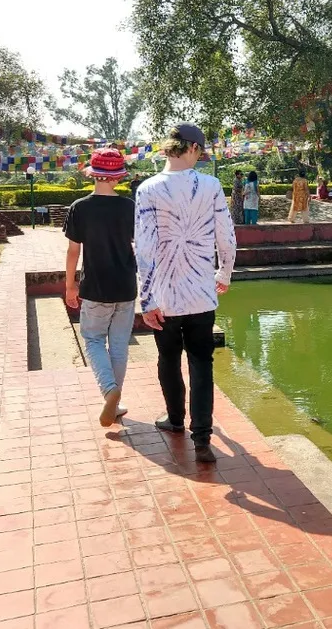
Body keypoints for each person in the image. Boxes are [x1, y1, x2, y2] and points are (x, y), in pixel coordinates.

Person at [134, 123, 237, 462]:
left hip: (164, 296)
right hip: (201, 295)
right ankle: (202, 440)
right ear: (193, 148)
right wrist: (223, 272)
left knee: (168, 359)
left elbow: (144, 249)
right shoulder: (210, 186)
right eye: (201, 151)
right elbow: (226, 236)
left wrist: (146, 299)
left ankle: (175, 420)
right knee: (201, 364)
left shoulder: (148, 189)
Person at [64, 148, 135, 428]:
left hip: (95, 287)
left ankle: (109, 391)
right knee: (119, 346)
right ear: (118, 178)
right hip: (126, 286)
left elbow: (73, 252)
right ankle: (114, 403)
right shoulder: (130, 207)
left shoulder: (80, 207)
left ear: (92, 174)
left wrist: (70, 285)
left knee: (93, 339)